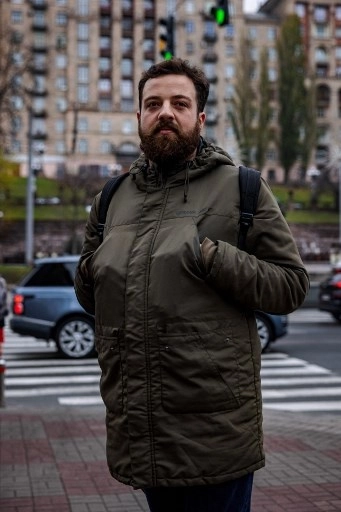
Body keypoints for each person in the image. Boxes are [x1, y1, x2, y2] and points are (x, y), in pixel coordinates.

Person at [75, 58, 309, 512]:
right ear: (139, 118)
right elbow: (89, 295)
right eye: (153, 103)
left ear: (199, 118)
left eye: (179, 103)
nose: (165, 112)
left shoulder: (242, 188)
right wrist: (92, 270)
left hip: (214, 436)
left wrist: (213, 257)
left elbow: (291, 285)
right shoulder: (110, 198)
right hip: (138, 430)